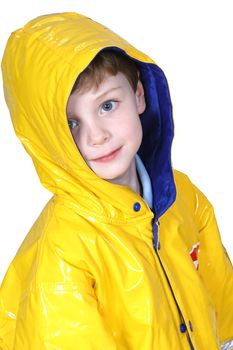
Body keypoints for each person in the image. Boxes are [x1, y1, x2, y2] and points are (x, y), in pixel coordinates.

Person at [0, 12, 232, 350]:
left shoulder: (183, 197)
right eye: (72, 124)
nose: (97, 136)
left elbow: (220, 295)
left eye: (107, 105)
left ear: (139, 95)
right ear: (51, 139)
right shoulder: (66, 247)